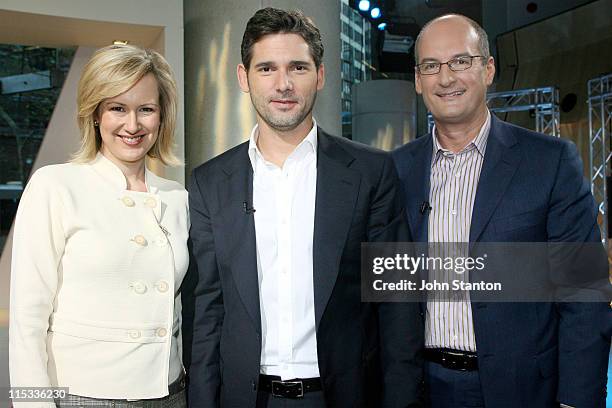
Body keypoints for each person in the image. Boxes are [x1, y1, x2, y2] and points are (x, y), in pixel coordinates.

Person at [183, 7, 423, 408]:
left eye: (297, 67)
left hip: (342, 396)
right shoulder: (209, 182)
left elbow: (397, 303)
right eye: (266, 69)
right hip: (245, 398)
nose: (283, 84)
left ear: (320, 75)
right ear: (243, 78)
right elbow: (207, 311)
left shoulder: (373, 172)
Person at [392, 14, 611, 408]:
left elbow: (584, 291)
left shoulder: (550, 162)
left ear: (488, 68)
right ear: (418, 79)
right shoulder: (395, 171)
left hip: (522, 389)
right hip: (421, 389)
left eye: (461, 61)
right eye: (431, 66)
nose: (446, 78)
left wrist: (577, 401)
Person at [9, 44, 189, 407]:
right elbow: (28, 318)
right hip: (82, 396)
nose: (133, 125)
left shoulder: (178, 197)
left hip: (169, 392)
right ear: (95, 114)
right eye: (117, 108)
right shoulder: (54, 185)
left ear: (162, 116)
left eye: (146, 110)